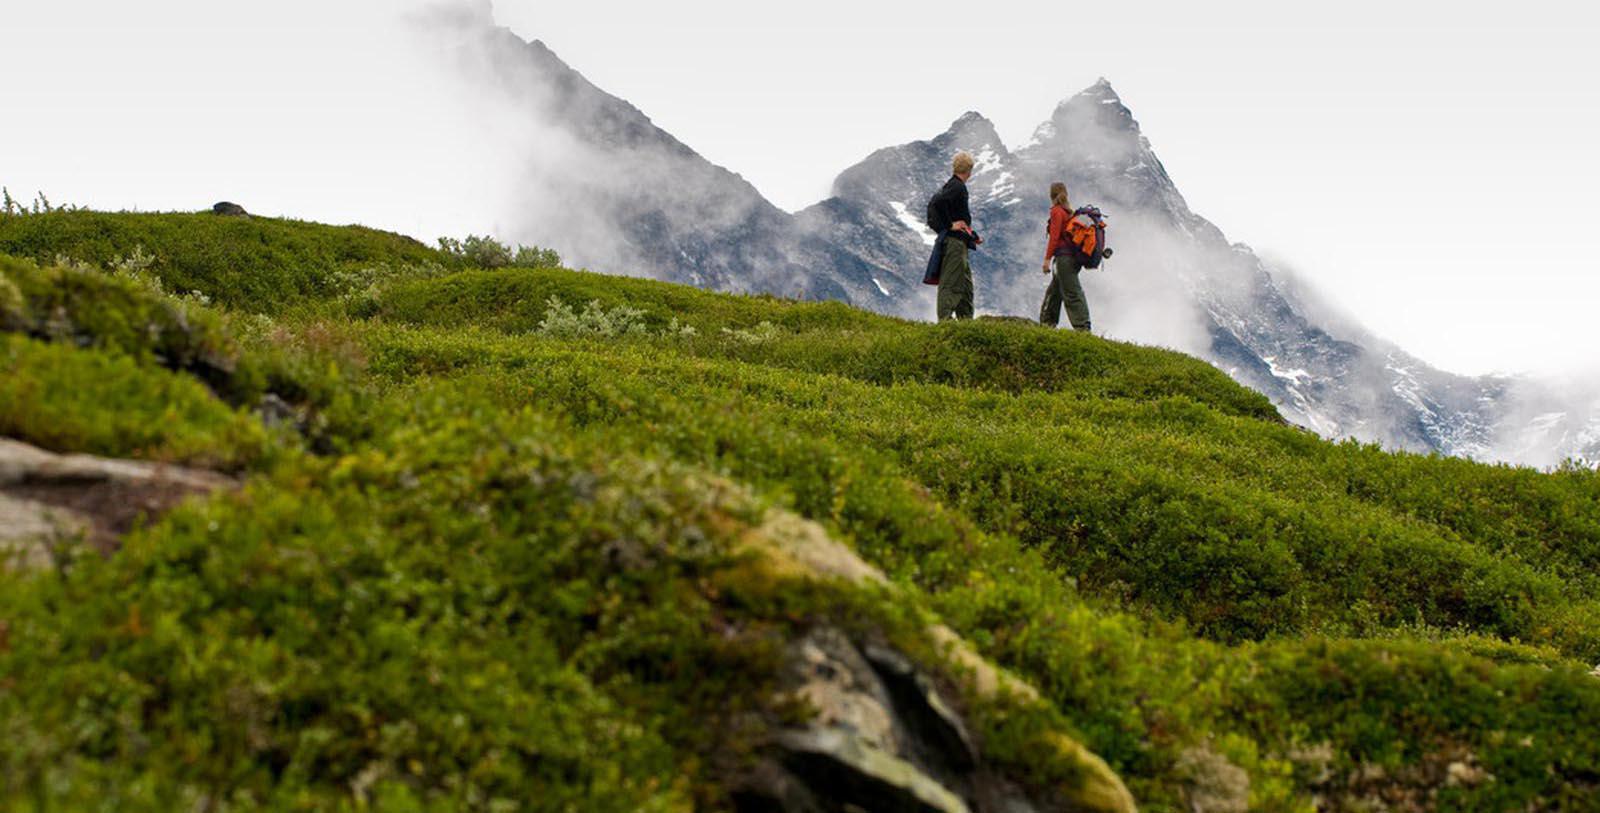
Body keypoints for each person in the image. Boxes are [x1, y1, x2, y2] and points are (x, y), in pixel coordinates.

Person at [926, 152, 982, 321]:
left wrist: (971, 235)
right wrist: (950, 225)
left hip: (959, 241)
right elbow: (938, 203)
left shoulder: (951, 185)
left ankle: (966, 322)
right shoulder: (957, 187)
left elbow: (945, 209)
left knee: (965, 286)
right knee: (951, 283)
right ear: (969, 170)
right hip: (954, 244)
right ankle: (945, 321)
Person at [1039, 182, 1091, 332]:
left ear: (1051, 195)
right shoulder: (1069, 212)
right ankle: (1047, 324)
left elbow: (1054, 237)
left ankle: (1083, 328)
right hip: (1073, 258)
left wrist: (1047, 260)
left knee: (1071, 292)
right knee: (1054, 291)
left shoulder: (1057, 211)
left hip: (1063, 259)